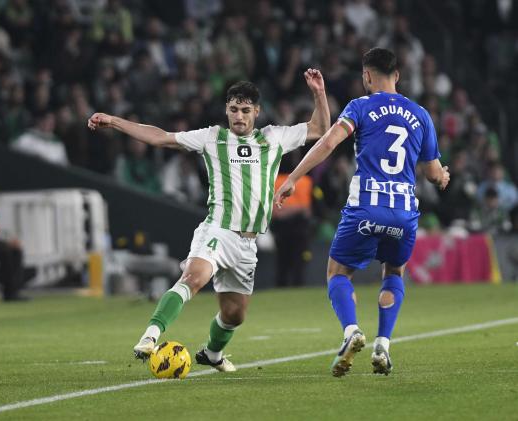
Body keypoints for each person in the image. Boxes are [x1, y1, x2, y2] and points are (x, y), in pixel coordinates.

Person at [88, 71, 329, 371]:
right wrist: (114, 121)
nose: (238, 116)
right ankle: (151, 335)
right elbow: (161, 137)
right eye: (233, 110)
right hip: (218, 228)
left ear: (256, 111)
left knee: (234, 315)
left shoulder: (274, 137)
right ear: (226, 110)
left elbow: (320, 128)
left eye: (244, 110)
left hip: (248, 242)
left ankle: (212, 354)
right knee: (194, 277)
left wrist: (318, 92)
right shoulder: (213, 138)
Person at [275, 48, 450, 377]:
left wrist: (294, 179)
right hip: (403, 211)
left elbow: (328, 144)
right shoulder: (421, 114)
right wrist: (444, 177)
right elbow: (432, 172)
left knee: (337, 273)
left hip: (366, 207)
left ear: (367, 76)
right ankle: (383, 343)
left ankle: (351, 330)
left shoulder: (360, 106)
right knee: (394, 273)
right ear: (397, 75)